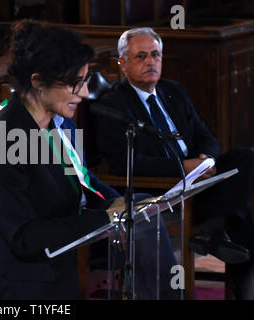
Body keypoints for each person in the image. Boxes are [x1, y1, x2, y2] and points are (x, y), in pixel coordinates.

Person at [0, 20, 180, 300]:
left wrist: (117, 205)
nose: (83, 93)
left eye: (84, 82)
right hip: (19, 286)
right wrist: (106, 218)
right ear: (37, 82)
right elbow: (24, 238)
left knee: (142, 211)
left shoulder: (55, 123)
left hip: (61, 267)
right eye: (74, 83)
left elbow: (79, 182)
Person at [92, 27, 254, 299]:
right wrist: (182, 167)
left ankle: (214, 228)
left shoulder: (173, 90)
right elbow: (124, 165)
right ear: (123, 63)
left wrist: (207, 159)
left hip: (199, 182)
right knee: (244, 214)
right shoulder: (114, 104)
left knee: (247, 156)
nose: (150, 62)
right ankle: (223, 247)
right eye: (141, 56)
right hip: (162, 192)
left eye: (156, 55)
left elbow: (205, 135)